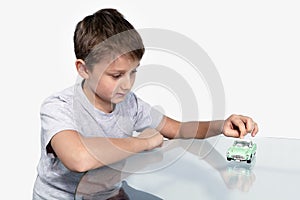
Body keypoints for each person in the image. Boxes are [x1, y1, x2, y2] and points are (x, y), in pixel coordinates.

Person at [32, 8, 259, 199]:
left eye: (133, 73)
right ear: (83, 69)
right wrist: (143, 142)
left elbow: (178, 128)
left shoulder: (129, 104)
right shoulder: (58, 106)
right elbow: (78, 159)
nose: (127, 84)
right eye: (116, 75)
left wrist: (221, 124)